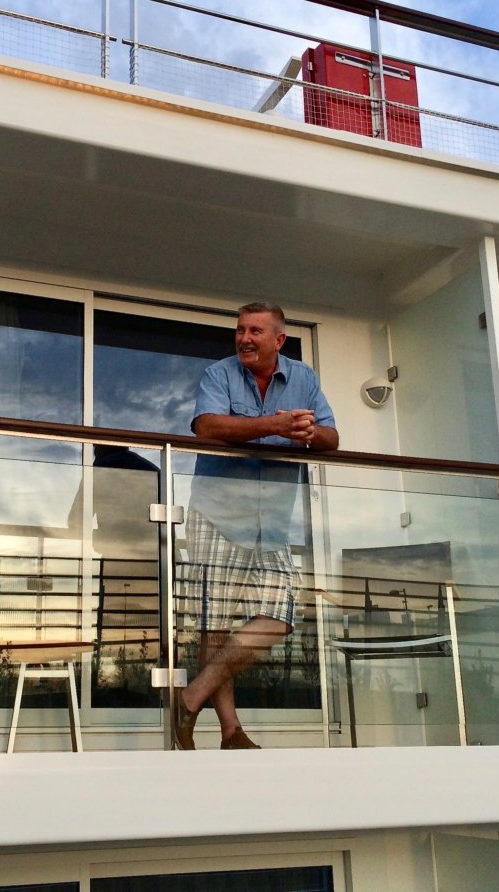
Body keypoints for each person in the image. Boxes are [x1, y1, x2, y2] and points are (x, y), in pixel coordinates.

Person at [175, 300, 338, 750]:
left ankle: (190, 697)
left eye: (255, 332)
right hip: (217, 512)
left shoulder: (303, 378)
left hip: (273, 521)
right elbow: (206, 426)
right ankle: (231, 731)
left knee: (279, 616)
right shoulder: (219, 374)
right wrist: (275, 425)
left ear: (278, 340)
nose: (244, 338)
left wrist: (307, 433)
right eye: (241, 330)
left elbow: (331, 436)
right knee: (214, 624)